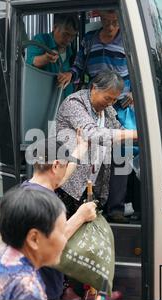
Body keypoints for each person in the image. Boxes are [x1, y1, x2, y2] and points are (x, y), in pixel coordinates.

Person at [68, 10, 139, 222]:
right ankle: (91, 203)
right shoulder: (89, 40)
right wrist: (69, 75)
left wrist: (135, 92)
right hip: (95, 102)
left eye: (114, 22)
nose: (109, 26)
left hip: (121, 103)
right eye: (106, 21)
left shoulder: (129, 40)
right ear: (99, 18)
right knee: (93, 149)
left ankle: (115, 207)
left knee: (121, 152)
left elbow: (140, 70)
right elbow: (78, 66)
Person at [22, 134, 97, 300]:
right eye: (64, 165)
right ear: (55, 165)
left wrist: (81, 148)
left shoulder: (28, 190)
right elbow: (51, 241)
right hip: (42, 289)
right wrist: (81, 216)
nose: (65, 171)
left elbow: (62, 177)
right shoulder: (47, 202)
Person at [55, 70, 137, 219]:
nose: (110, 103)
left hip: (90, 180)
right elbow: (92, 134)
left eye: (114, 100)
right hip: (68, 180)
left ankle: (115, 210)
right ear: (94, 88)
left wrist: (139, 135)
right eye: (107, 98)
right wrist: (132, 134)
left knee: (122, 154)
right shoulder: (74, 104)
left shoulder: (107, 110)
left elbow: (118, 130)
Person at [26, 13, 79, 98]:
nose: (68, 40)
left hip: (66, 102)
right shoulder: (41, 40)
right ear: (54, 28)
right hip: (45, 102)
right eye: (65, 34)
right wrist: (45, 58)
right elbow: (30, 62)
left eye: (72, 36)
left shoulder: (70, 51)